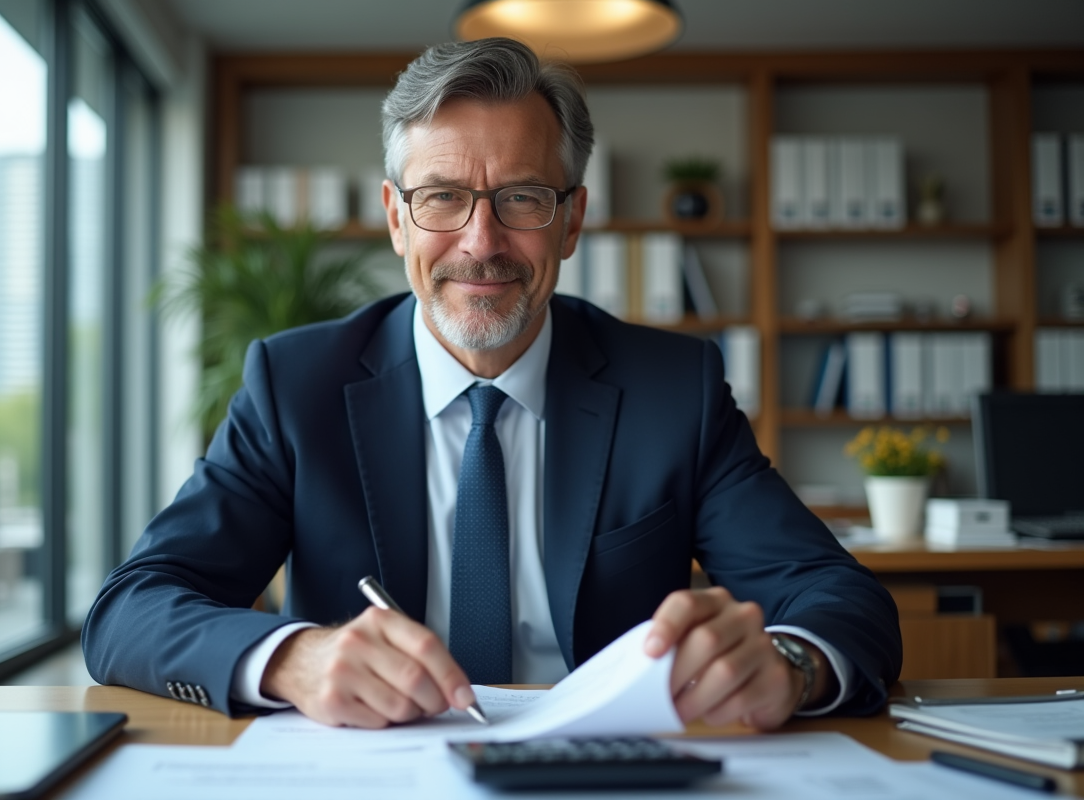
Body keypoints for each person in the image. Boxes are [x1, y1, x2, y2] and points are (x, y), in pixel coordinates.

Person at [83, 37, 901, 729]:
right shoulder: (295, 386)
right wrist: (294, 658)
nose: (481, 242)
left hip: (609, 774)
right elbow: (131, 608)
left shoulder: (672, 389)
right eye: (442, 198)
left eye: (522, 198)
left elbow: (837, 596)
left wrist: (790, 663)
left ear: (572, 219)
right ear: (397, 218)